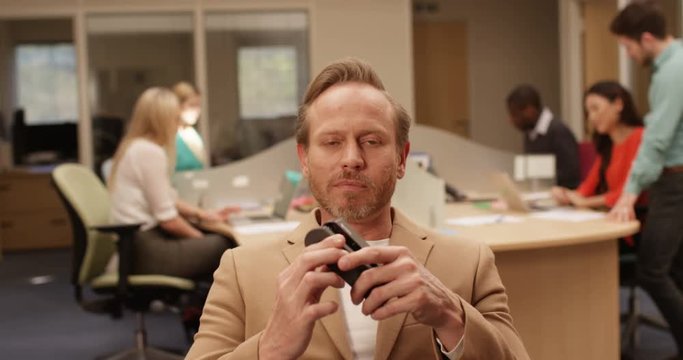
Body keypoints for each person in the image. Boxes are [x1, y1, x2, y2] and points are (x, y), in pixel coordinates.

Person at [186, 58, 529, 359]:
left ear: (402, 158)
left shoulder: (468, 264)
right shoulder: (241, 271)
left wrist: (448, 315)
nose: (351, 159)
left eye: (372, 141)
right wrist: (269, 349)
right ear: (304, 159)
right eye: (332, 142)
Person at [609, 1, 683, 357]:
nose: (629, 53)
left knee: (652, 270)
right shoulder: (676, 63)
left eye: (628, 46)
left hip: (675, 182)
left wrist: (630, 193)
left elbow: (657, 140)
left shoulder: (671, 72)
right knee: (676, 270)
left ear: (647, 38)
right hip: (674, 180)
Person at [108, 87, 232, 280]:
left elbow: (168, 198)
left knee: (217, 241)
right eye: (175, 118)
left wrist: (203, 215)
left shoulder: (136, 146)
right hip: (148, 250)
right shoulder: (149, 152)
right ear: (162, 120)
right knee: (225, 246)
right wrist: (201, 239)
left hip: (136, 246)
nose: (177, 124)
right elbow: (169, 221)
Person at [551, 81, 644, 210]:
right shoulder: (608, 146)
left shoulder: (641, 137)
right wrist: (565, 194)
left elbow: (629, 191)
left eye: (595, 108)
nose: (591, 117)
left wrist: (585, 202)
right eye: (588, 112)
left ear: (618, 104)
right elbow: (587, 187)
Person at [506, 84, 581, 188]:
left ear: (529, 111)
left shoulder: (558, 131)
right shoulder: (530, 132)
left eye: (514, 114)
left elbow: (571, 174)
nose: (511, 120)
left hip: (561, 194)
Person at [173, 81, 208, 172]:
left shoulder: (192, 134)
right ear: (178, 105)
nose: (197, 110)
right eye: (192, 105)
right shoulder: (168, 136)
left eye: (199, 105)